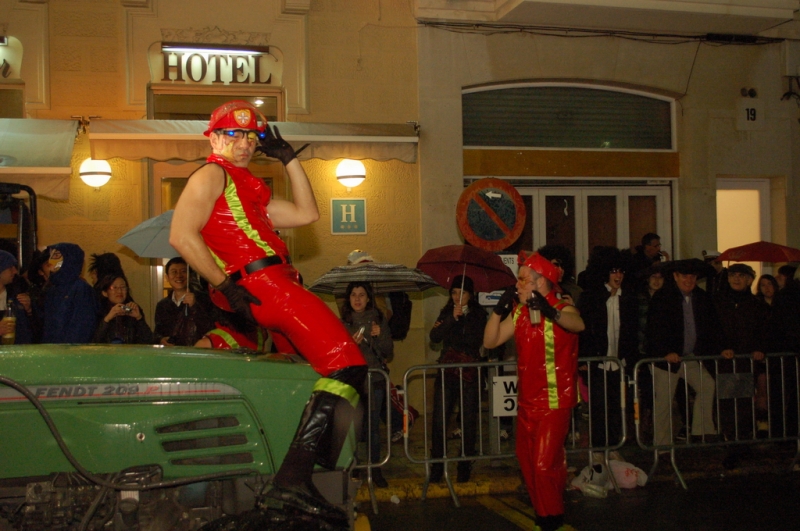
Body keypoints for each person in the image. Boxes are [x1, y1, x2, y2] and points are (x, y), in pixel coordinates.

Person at [169, 100, 366, 525]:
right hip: (265, 285)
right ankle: (293, 479)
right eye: (234, 135)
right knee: (347, 364)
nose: (243, 144)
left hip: (275, 285)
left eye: (251, 136)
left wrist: (290, 160)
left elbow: (308, 214)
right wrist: (225, 285)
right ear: (215, 137)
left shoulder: (247, 188)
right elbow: (181, 236)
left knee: (304, 378)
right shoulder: (210, 174)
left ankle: (294, 475)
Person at [484, 253, 584, 531]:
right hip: (527, 402)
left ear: (541, 282)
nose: (517, 283)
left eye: (523, 278)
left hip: (555, 400)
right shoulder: (519, 312)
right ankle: (544, 514)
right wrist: (497, 310)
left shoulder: (563, 307)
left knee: (544, 464)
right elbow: (490, 341)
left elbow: (577, 324)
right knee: (528, 463)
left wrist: (551, 312)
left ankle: (552, 517)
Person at [646, 259, 718, 447]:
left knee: (707, 385)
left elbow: (711, 326)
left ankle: (701, 433)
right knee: (664, 401)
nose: (689, 279)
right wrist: (665, 352)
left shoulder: (701, 298)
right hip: (666, 360)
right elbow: (654, 330)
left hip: (690, 357)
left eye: (692, 276)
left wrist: (719, 347)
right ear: (675, 276)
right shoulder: (662, 298)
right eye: (684, 275)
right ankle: (662, 445)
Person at [577, 247, 638, 459]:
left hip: (619, 364)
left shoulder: (628, 299)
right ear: (604, 272)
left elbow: (631, 332)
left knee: (616, 408)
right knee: (598, 409)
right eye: (613, 271)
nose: (618, 275)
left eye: (621, 271)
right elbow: (582, 330)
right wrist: (583, 360)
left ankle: (613, 448)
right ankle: (597, 450)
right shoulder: (591, 298)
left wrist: (629, 359)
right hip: (597, 364)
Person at [428, 275, 486, 484]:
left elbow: (475, 340)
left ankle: (465, 462)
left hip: (468, 372)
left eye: (462, 293)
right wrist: (452, 318)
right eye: (453, 292)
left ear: (470, 295)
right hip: (447, 371)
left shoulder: (479, 314)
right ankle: (437, 465)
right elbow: (434, 337)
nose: (457, 297)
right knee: (440, 418)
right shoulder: (447, 312)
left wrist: (463, 320)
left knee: (468, 419)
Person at [713, 263, 769, 465]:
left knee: (745, 402)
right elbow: (713, 330)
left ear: (749, 280)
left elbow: (763, 330)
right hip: (726, 362)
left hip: (746, 362)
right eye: (733, 275)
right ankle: (733, 444)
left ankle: (743, 443)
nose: (736, 279)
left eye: (741, 276)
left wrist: (759, 348)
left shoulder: (756, 305)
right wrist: (722, 348)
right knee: (729, 403)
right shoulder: (719, 302)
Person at [339, 281, 393, 488]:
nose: (358, 299)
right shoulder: (343, 322)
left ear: (368, 298)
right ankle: (354, 467)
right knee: (352, 427)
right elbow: (340, 351)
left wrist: (378, 337)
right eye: (353, 295)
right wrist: (351, 345)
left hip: (374, 380)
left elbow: (388, 351)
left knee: (372, 428)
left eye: (362, 295)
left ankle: (375, 468)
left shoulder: (377, 319)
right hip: (353, 380)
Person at [40, 243, 97, 344]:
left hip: (70, 354)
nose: (50, 260)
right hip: (52, 353)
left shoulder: (81, 289)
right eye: (51, 256)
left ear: (69, 259)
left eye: (56, 255)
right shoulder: (52, 290)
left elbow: (81, 328)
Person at [154, 257, 214, 346]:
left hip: (196, 353)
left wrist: (194, 307)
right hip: (171, 355)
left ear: (190, 275)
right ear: (167, 277)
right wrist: (161, 339)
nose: (178, 275)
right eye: (174, 272)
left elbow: (210, 329)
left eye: (183, 271)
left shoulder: (203, 299)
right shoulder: (162, 305)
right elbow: (157, 332)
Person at [93, 274, 154, 344]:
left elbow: (149, 341)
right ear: (105, 293)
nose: (119, 291)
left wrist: (139, 318)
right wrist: (107, 319)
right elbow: (94, 341)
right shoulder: (98, 310)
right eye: (114, 287)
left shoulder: (132, 309)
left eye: (123, 287)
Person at [0, 250, 32, 344]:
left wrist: (30, 310)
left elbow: (31, 332)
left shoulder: (16, 297)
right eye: (10, 267)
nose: (15, 271)